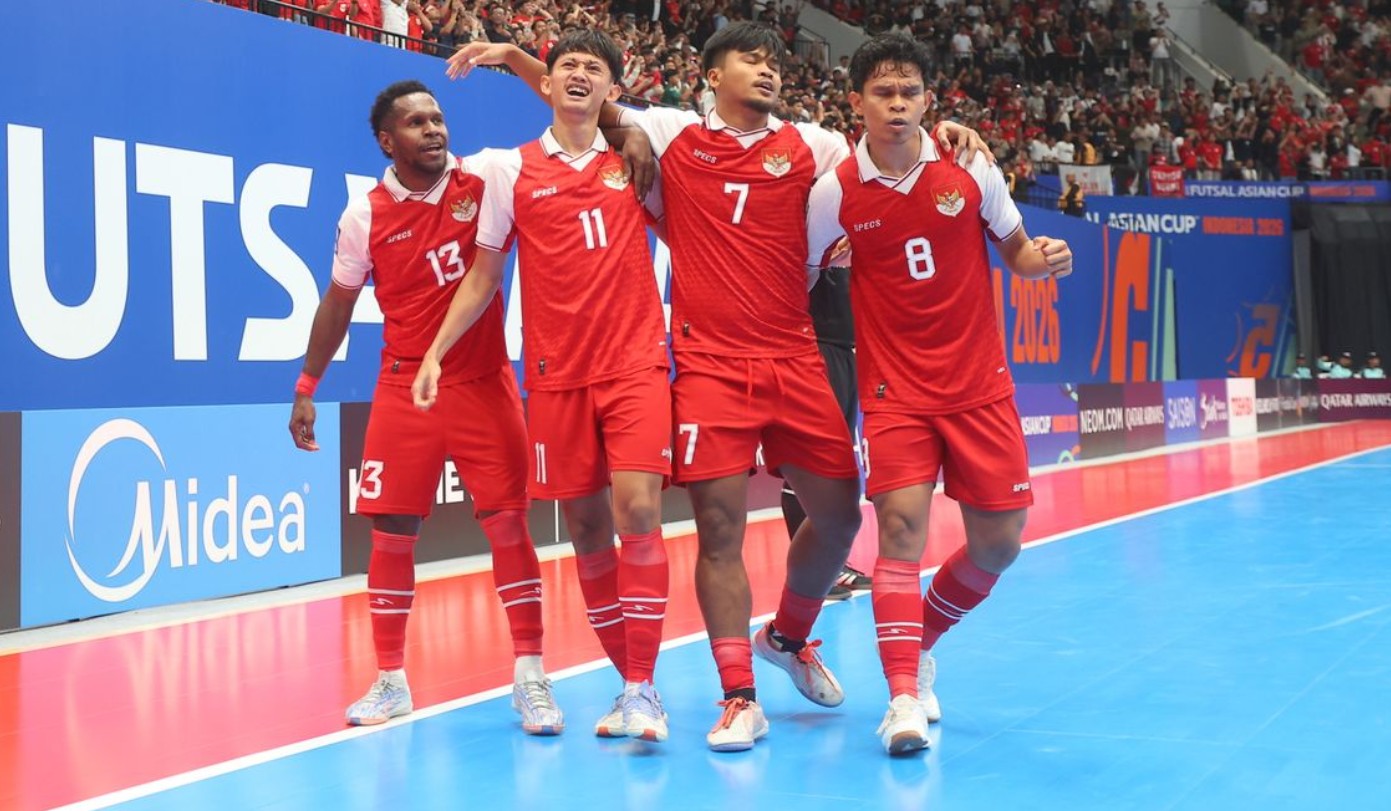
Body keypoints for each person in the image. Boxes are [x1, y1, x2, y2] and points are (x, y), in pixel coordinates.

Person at [448, 22, 988, 752]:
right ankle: (738, 693)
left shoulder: (814, 145)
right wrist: (518, 58)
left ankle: (789, 635)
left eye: (774, 62)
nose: (767, 71)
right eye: (750, 60)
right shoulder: (668, 134)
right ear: (711, 74)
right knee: (719, 529)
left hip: (793, 355)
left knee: (838, 515)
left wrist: (945, 135)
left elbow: (892, 146)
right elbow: (584, 101)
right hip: (706, 365)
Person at [806, 34, 1073, 756]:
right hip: (894, 390)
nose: (898, 104)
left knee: (999, 542)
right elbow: (795, 274)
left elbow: (1015, 250)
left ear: (928, 100)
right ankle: (899, 699)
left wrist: (1040, 259)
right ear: (856, 102)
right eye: (883, 93)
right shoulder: (835, 192)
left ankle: (918, 640)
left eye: (910, 92)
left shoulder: (969, 167)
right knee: (898, 533)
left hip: (978, 385)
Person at [415, 31, 673, 743]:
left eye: (595, 69)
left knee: (638, 508)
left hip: (634, 364)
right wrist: (436, 349)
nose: (580, 76)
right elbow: (483, 274)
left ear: (613, 90)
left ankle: (643, 688)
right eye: (568, 68)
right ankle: (630, 684)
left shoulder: (637, 157)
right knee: (587, 528)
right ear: (548, 84)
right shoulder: (510, 170)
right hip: (557, 375)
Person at [289, 81, 563, 732]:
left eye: (438, 118)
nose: (435, 129)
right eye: (417, 123)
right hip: (404, 385)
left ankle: (530, 676)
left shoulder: (487, 177)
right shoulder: (364, 216)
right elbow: (337, 302)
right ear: (388, 141)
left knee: (506, 523)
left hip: (482, 381)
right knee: (390, 530)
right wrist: (306, 385)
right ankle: (389, 680)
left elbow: (567, 138)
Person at [782, 268, 872, 602]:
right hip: (815, 345)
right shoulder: (808, 219)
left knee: (835, 462)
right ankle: (810, 569)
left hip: (845, 346)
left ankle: (832, 563)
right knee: (809, 464)